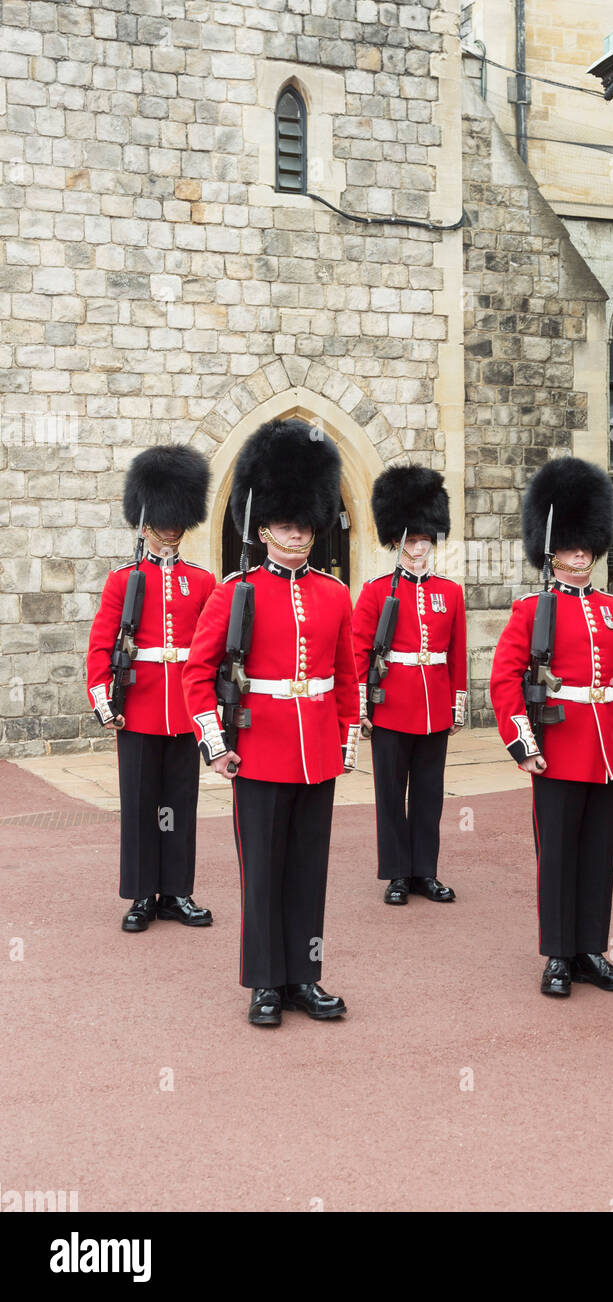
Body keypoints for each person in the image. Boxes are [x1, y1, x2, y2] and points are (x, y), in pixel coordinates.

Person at [182, 419, 360, 1027]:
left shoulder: (335, 594)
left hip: (316, 757)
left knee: (309, 872)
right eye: (288, 524)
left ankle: (304, 977)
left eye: (307, 524)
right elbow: (196, 676)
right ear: (262, 526)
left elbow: (344, 677)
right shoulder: (234, 593)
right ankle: (264, 982)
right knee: (262, 872)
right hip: (258, 753)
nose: (300, 534)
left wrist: (344, 741)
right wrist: (214, 744)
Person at [489, 456, 613, 997]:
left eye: (587, 546)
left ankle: (590, 951)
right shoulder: (533, 609)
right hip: (557, 748)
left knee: (598, 854)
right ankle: (557, 954)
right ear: (552, 550)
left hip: (602, 755)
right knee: (557, 858)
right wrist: (523, 744)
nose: (580, 556)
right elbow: (504, 681)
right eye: (571, 546)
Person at [86, 444, 215, 933]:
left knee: (179, 803)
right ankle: (143, 893)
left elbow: (209, 650)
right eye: (163, 519)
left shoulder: (200, 581)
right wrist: (104, 702)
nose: (170, 529)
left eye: (177, 519)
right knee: (141, 804)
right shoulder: (124, 581)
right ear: (146, 521)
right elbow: (101, 647)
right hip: (137, 709)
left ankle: (177, 891)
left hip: (183, 709)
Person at [351, 466, 466, 905]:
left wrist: (456, 706)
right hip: (391, 705)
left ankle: (425, 871)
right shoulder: (378, 591)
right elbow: (359, 651)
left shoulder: (449, 592)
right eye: (412, 541)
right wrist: (362, 706)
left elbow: (455, 653)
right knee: (390, 793)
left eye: (425, 541)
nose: (419, 549)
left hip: (434, 706)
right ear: (398, 543)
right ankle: (397, 873)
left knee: (428, 795)